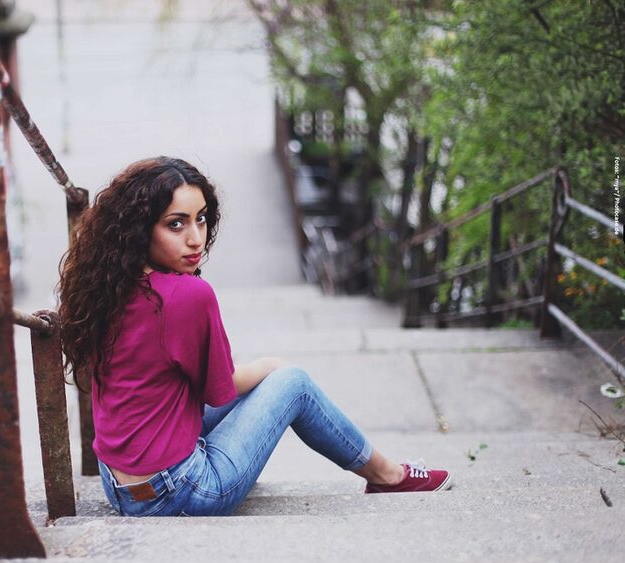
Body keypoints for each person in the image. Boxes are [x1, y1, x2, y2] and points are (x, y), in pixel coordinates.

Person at [57, 156, 451, 517]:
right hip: (181, 492)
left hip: (119, 485)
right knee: (292, 383)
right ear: (140, 229)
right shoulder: (187, 295)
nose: (195, 238)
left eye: (201, 219)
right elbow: (221, 390)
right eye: (175, 224)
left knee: (263, 384)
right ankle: (388, 475)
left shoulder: (106, 285)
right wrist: (271, 366)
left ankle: (383, 472)